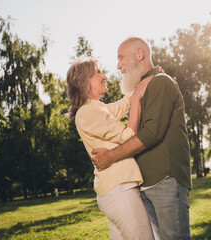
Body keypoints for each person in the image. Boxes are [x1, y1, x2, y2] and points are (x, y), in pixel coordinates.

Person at [92, 37, 192, 240]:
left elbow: (151, 134)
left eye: (121, 58)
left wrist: (110, 157)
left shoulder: (161, 82)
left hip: (166, 180)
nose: (118, 65)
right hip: (147, 184)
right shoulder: (143, 89)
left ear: (140, 55)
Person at [66, 57, 155, 240]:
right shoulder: (88, 113)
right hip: (120, 191)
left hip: (114, 193)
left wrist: (141, 84)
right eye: (98, 72)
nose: (104, 75)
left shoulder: (94, 109)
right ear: (84, 82)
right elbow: (128, 137)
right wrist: (137, 99)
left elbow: (121, 106)